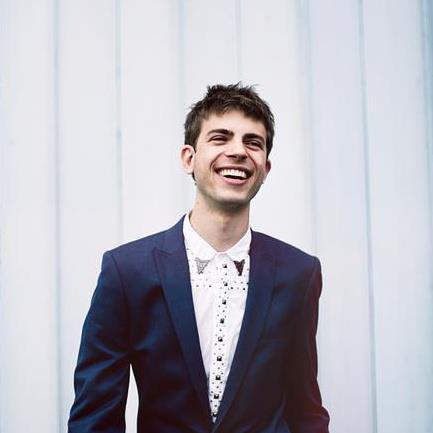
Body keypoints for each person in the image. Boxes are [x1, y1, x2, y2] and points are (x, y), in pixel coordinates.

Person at [68, 83, 330, 433]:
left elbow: (305, 410)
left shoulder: (299, 273)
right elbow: (94, 418)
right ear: (188, 158)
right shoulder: (127, 271)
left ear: (266, 168)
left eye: (253, 142)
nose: (238, 151)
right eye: (220, 138)